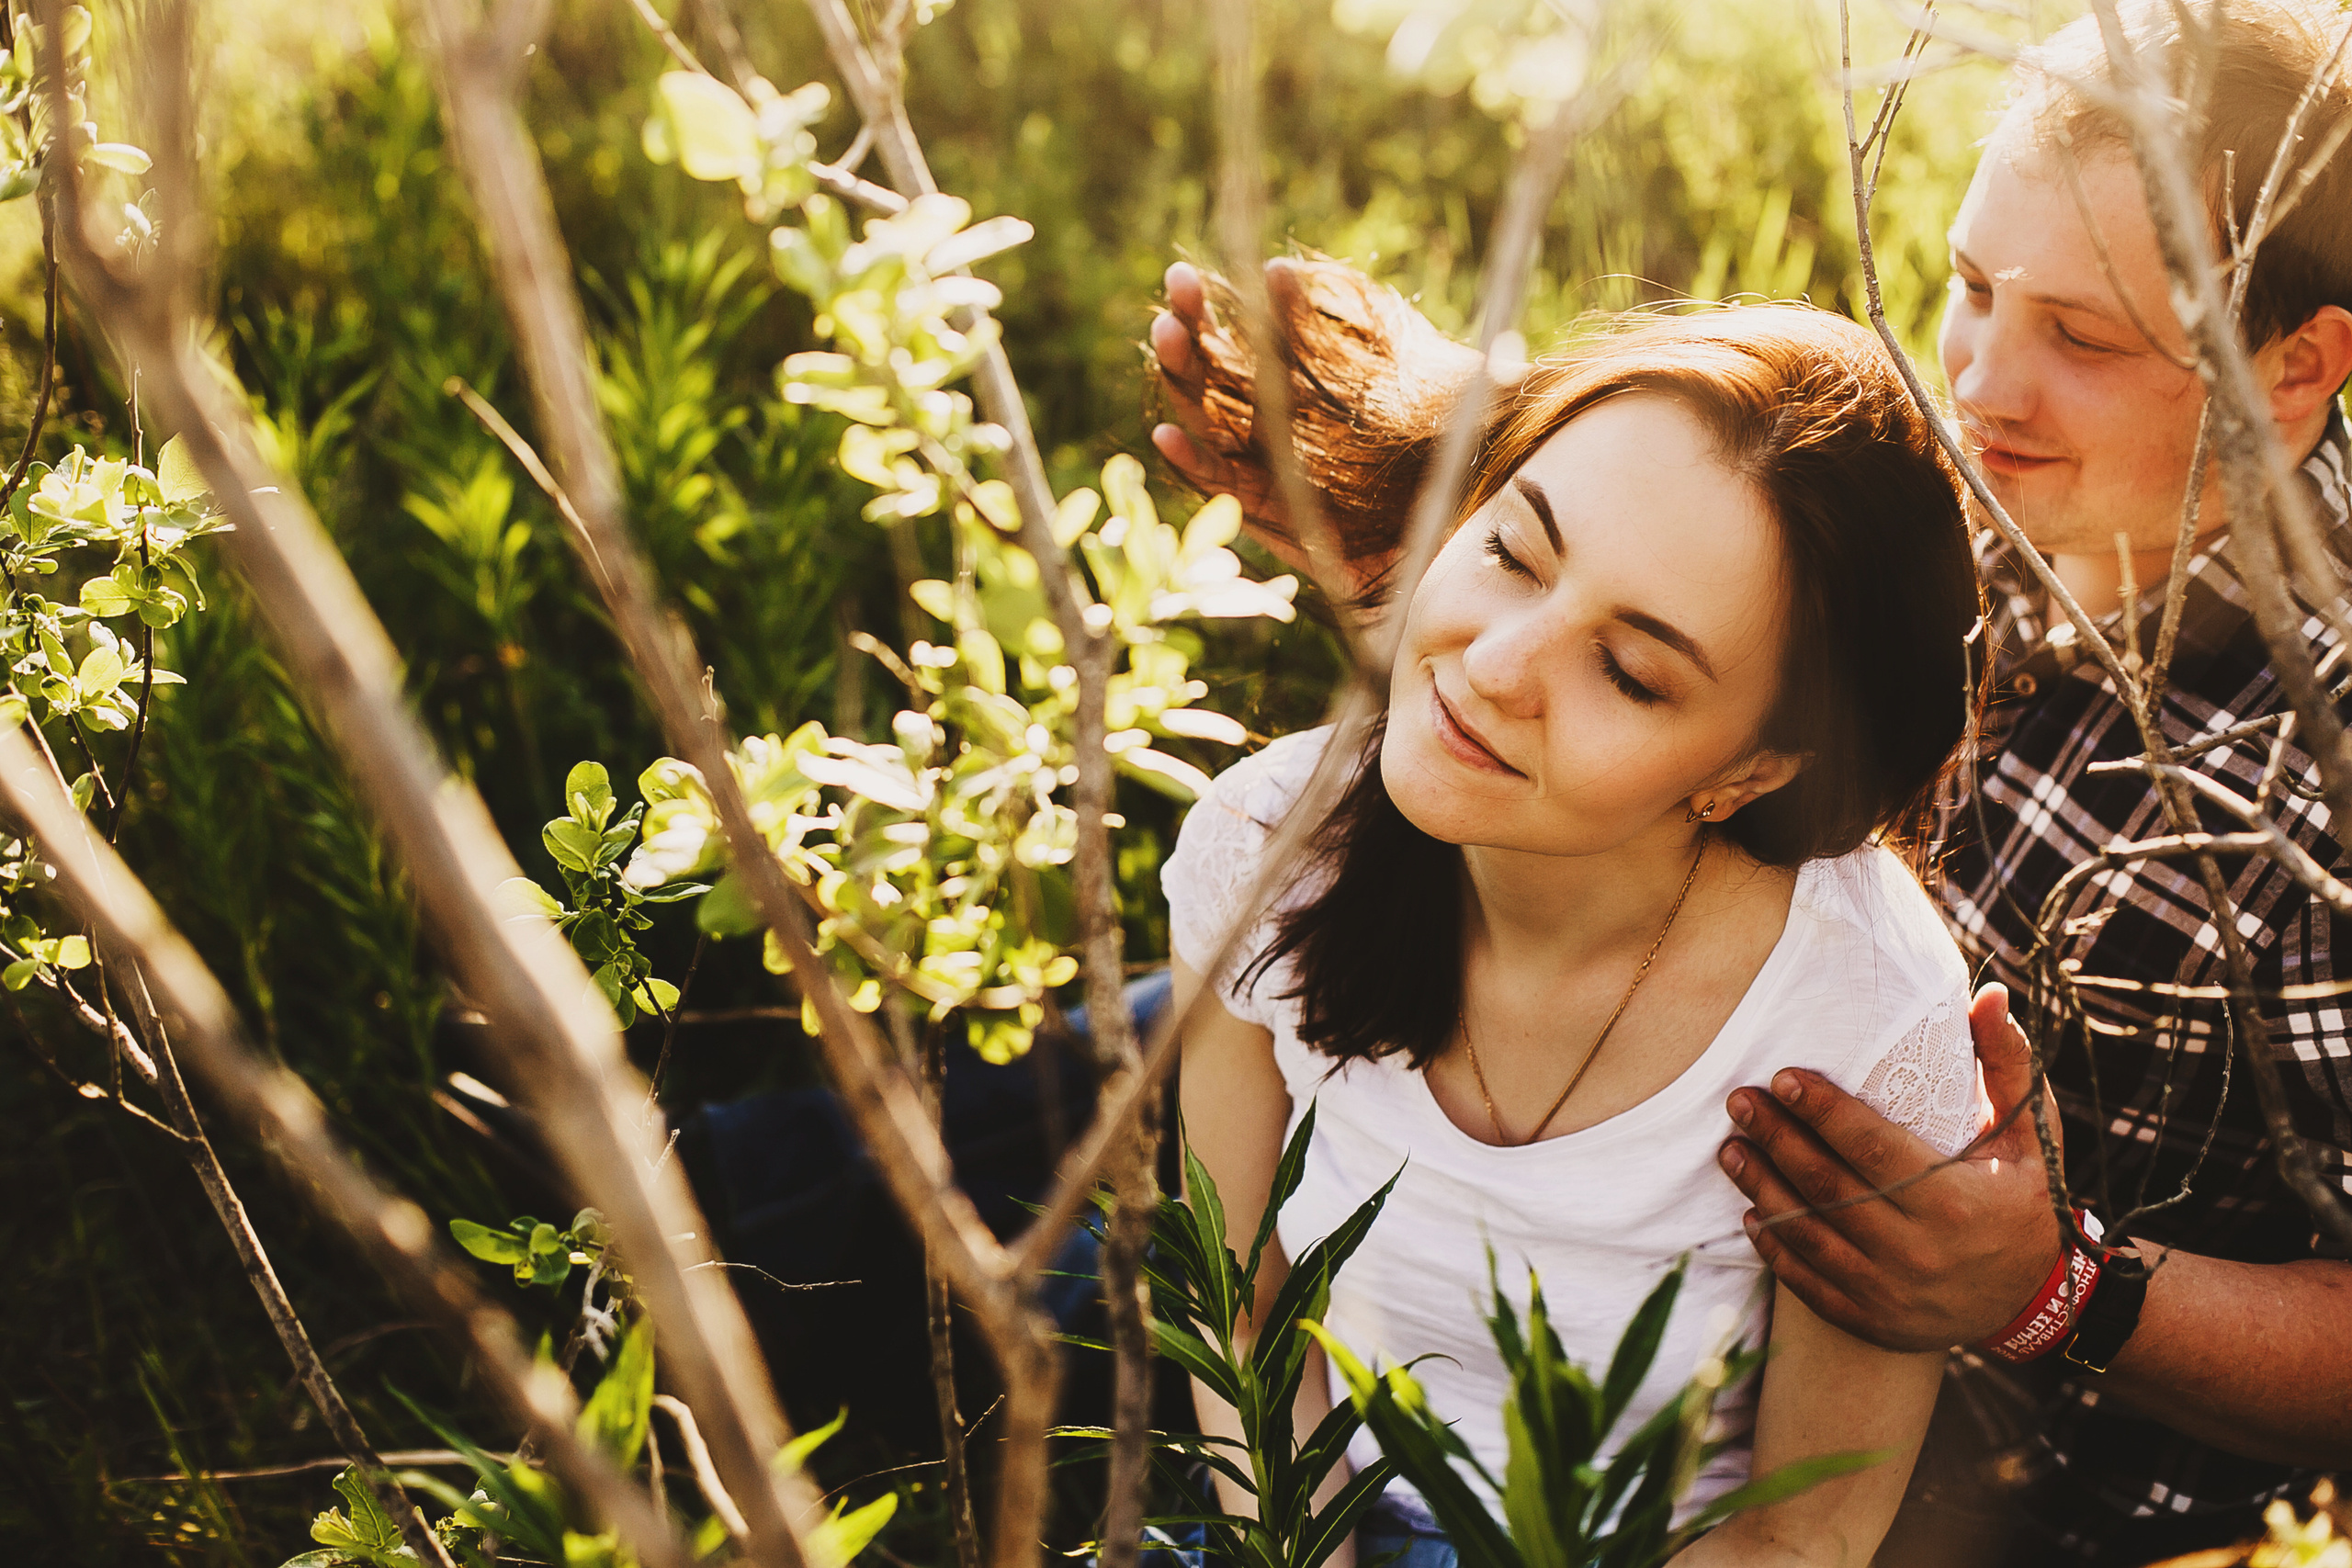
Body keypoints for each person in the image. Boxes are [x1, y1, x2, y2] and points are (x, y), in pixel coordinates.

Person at [1148, 3, 2352, 1561]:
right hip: (1530, 963)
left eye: (2085, 337)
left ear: (2296, 367)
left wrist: (2059, 1289)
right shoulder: (2010, 473)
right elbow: (1733, 501)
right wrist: (1453, 457)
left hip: (1939, 1469)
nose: (1981, 382)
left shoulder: (2319, 779)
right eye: (1975, 288)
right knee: (1033, 1095)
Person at [1165, 302, 1989, 1566]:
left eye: (1632, 672)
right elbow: (1235, 1307)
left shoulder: (1864, 1016)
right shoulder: (1268, 841)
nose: (1496, 666)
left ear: (1751, 769)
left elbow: (1803, 1531)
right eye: (1513, 550)